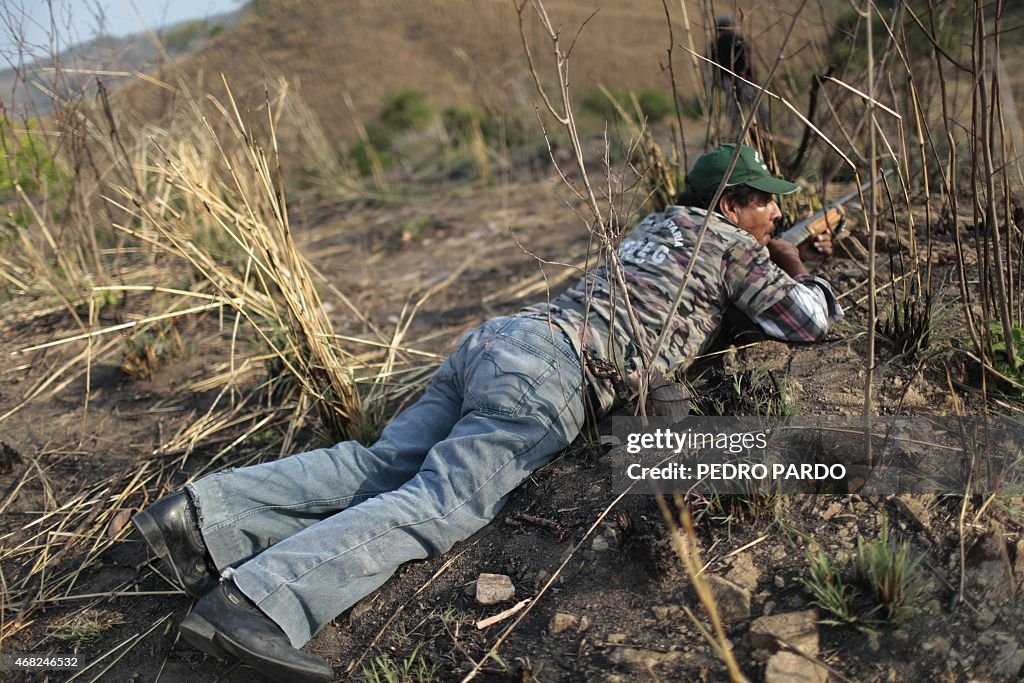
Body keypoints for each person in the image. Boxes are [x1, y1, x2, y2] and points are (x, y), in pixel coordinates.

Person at [131, 143, 843, 682]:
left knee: (378, 464)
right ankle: (253, 604)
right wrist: (794, 261)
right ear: (728, 206)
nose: (776, 212)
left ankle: (198, 518)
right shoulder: (730, 246)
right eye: (763, 201)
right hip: (551, 374)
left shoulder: (655, 225)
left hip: (501, 339)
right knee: (436, 504)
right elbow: (807, 322)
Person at [710, 15, 768, 136]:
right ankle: (765, 130)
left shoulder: (715, 44)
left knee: (735, 110)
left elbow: (712, 65)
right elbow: (749, 61)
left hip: (728, 81)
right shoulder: (738, 39)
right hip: (745, 79)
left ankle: (737, 133)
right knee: (756, 106)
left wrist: (718, 82)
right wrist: (753, 78)